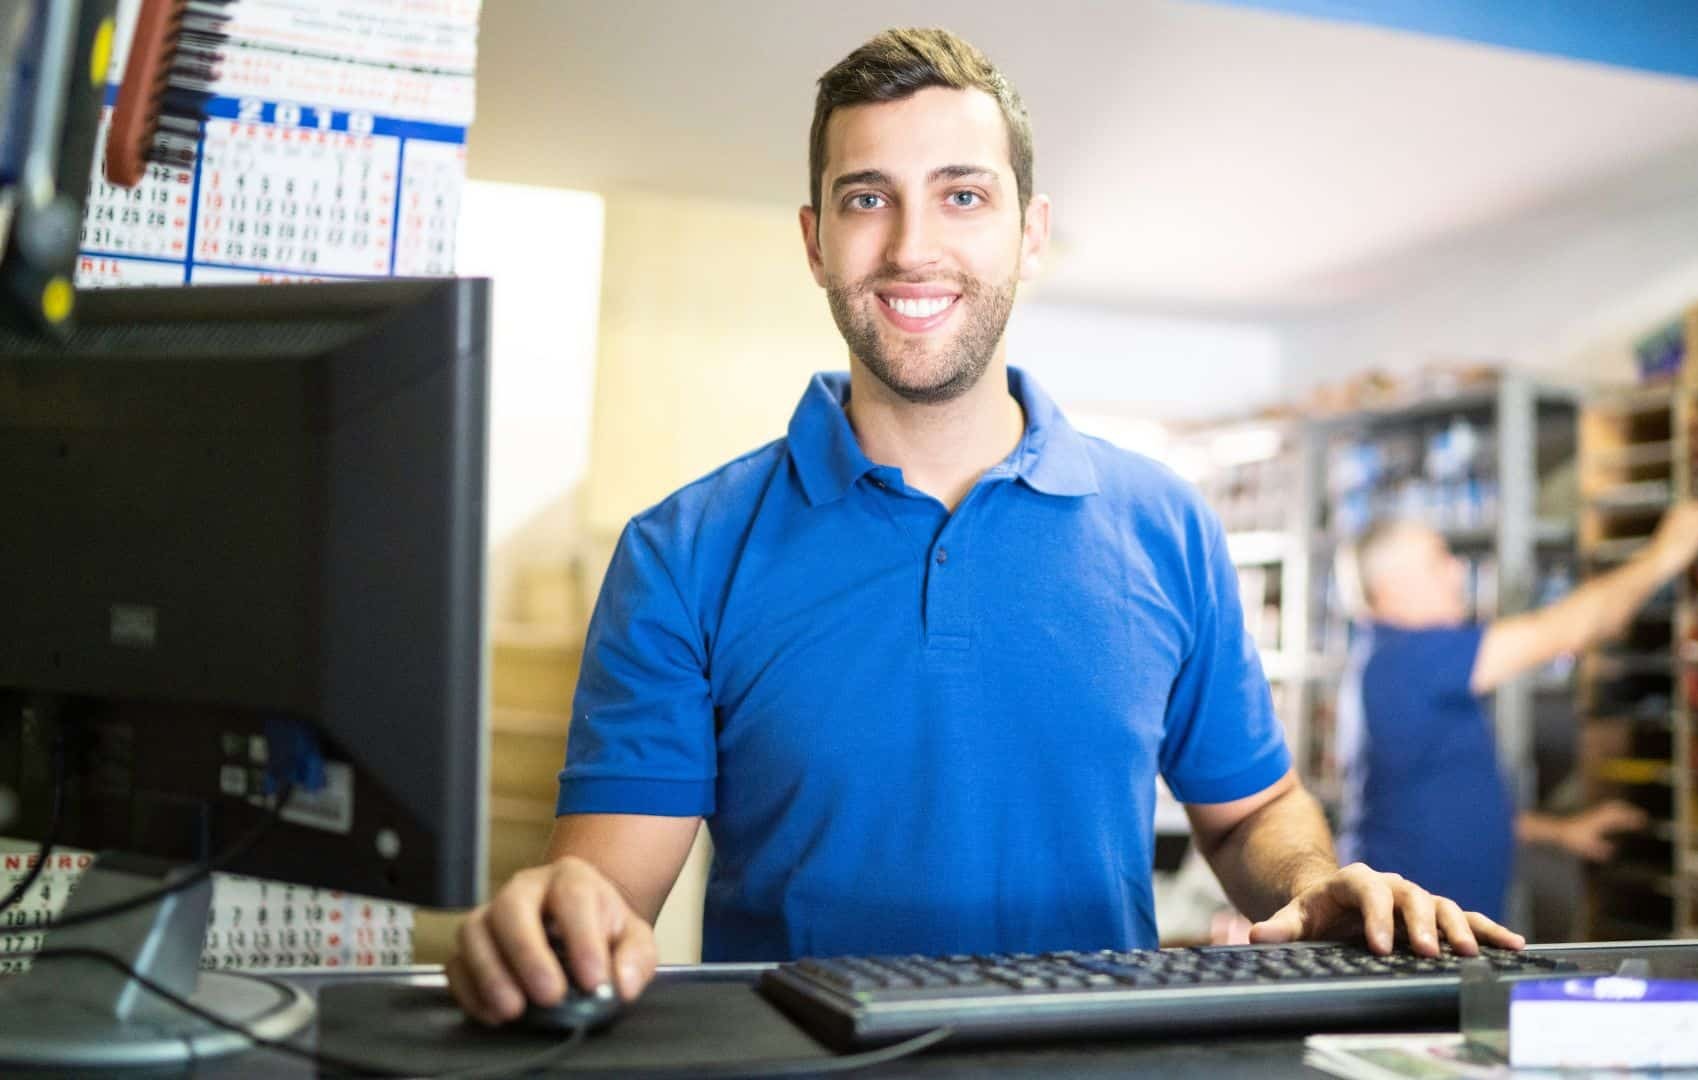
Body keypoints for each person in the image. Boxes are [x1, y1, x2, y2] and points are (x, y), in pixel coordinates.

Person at [445, 27, 1523, 1027]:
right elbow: (604, 896)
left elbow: (1250, 813)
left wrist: (1311, 881)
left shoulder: (1167, 527)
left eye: (963, 194)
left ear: (1030, 232)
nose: (914, 246)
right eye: (869, 199)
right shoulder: (681, 552)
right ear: (817, 242)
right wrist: (550, 922)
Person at [1334, 500, 1698, 921]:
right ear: (1390, 589)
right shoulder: (1410, 658)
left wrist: (1561, 832)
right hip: (1406, 935)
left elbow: (1442, 800)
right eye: (1437, 562)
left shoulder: (1386, 657)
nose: (1457, 572)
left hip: (1430, 931)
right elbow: (1571, 629)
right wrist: (1665, 553)